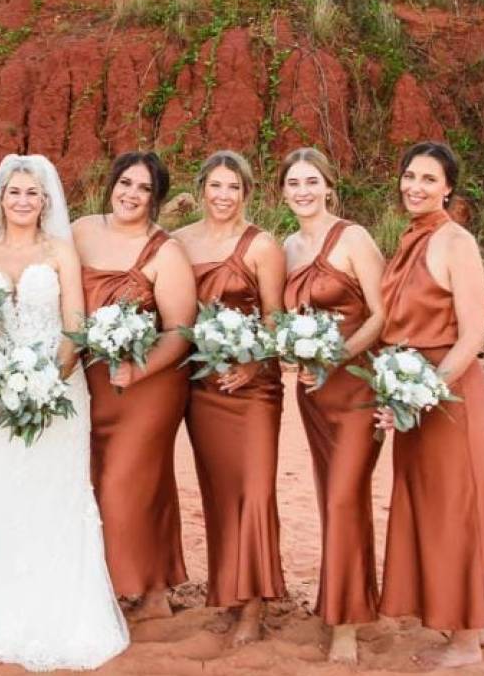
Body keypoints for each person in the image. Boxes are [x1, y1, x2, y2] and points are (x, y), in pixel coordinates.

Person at [0, 154, 129, 671]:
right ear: (0, 197)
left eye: (31, 193)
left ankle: (60, 611)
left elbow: (74, 325)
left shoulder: (60, 251)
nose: (21, 201)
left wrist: (43, 385)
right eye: (13, 192)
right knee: (0, 494)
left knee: (55, 494)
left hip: (57, 393)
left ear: (46, 201)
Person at [377, 141, 484, 668]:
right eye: (409, 176)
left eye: (429, 179)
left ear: (448, 187)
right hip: (411, 388)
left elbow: (473, 334)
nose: (415, 187)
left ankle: (467, 640)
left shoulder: (456, 242)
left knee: (459, 510)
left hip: (448, 394)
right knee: (428, 508)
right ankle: (482, 618)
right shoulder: (407, 240)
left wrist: (423, 391)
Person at [72, 151, 196, 622]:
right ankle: (154, 590)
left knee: (123, 483)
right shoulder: (82, 230)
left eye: (144, 188)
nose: (131, 194)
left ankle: (119, 588)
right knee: (108, 479)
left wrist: (137, 371)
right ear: (111, 183)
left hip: (148, 385)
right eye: (125, 183)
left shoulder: (164, 251)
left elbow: (180, 331)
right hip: (88, 381)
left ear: (156, 198)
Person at [173, 150, 286, 644]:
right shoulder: (179, 243)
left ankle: (255, 606)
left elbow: (273, 316)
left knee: (254, 491)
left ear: (246, 193)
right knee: (219, 494)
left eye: (233, 188)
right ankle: (230, 592)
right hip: (203, 386)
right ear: (201, 189)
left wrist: (252, 363)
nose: (223, 197)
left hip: (254, 386)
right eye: (215, 186)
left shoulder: (262, 245)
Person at [278, 147, 386, 664]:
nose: (302, 191)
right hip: (314, 392)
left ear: (328, 186)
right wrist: (293, 355)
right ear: (283, 192)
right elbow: (287, 321)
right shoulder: (287, 247)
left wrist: (339, 354)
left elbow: (382, 314)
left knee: (344, 496)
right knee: (332, 498)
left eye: (310, 182)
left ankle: (346, 623)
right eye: (293, 183)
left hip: (358, 385)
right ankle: (345, 601)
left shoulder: (354, 237)